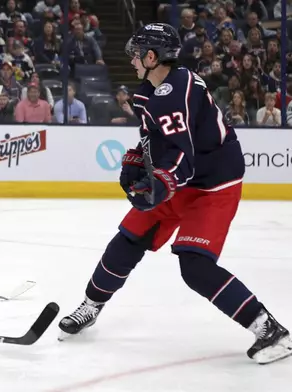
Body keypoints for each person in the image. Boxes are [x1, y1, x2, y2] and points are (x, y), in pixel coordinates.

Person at [57, 23, 292, 365]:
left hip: (214, 184)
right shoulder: (148, 91)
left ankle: (268, 328)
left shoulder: (177, 89)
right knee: (129, 236)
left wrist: (163, 181)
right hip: (182, 178)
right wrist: (139, 158)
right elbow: (156, 138)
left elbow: (184, 151)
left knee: (194, 264)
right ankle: (91, 305)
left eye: (137, 54)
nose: (132, 59)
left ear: (152, 57)